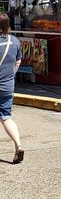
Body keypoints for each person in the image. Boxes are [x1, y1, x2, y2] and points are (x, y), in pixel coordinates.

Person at [0, 13, 23, 163]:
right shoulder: (14, 41)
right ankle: (18, 145)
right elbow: (18, 61)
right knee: (6, 117)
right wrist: (9, 76)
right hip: (7, 86)